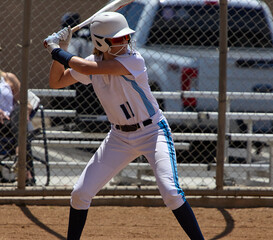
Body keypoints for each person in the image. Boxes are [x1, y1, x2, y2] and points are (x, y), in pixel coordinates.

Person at [44, 12, 205, 239]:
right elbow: (56, 82)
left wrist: (55, 49)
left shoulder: (133, 60)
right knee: (80, 194)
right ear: (101, 42)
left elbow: (87, 69)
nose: (125, 41)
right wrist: (61, 49)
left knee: (171, 193)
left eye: (125, 37)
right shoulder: (93, 63)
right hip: (119, 137)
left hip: (153, 132)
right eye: (118, 39)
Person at [0, 69, 37, 186]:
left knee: (19, 112)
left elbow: (25, 102)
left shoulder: (8, 78)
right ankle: (25, 169)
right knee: (21, 131)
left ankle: (19, 159)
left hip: (10, 121)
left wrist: (28, 108)